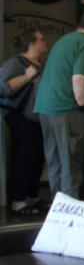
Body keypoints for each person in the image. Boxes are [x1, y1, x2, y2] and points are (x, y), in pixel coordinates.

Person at [34, 10, 84, 198]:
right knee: (70, 163)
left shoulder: (63, 41)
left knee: (55, 161)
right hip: (67, 110)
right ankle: (69, 211)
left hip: (45, 109)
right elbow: (78, 79)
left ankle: (56, 207)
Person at [0, 29, 48, 214]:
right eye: (42, 39)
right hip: (19, 116)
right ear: (32, 43)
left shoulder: (40, 64)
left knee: (37, 157)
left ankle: (31, 197)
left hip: (35, 116)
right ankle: (18, 201)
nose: (45, 43)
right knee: (24, 156)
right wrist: (28, 76)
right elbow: (3, 88)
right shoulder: (16, 63)